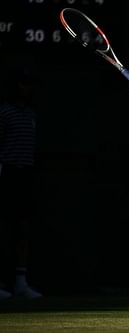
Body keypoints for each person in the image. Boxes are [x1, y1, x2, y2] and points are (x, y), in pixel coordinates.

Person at [0, 66, 43, 300]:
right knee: (3, 229)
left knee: (22, 230)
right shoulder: (5, 112)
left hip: (26, 176)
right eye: (23, 84)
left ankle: (20, 282)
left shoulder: (31, 114)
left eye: (30, 84)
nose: (27, 89)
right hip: (7, 174)